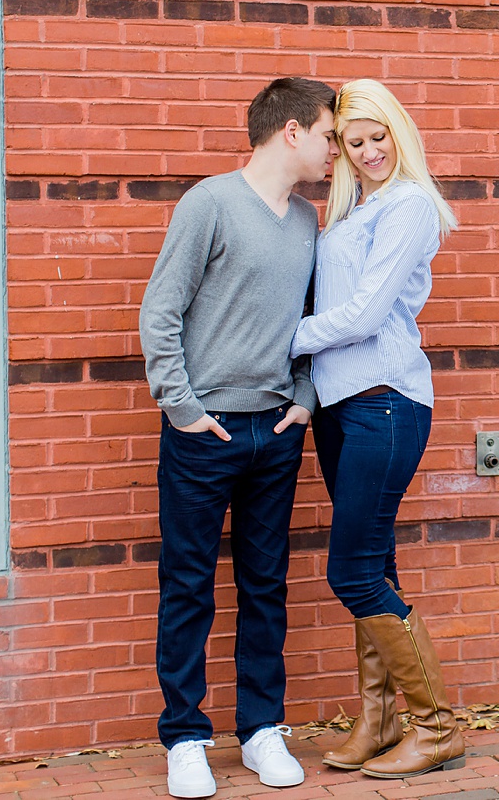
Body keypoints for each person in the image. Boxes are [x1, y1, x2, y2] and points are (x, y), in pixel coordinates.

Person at [138, 77, 340, 798]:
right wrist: (185, 409)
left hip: (276, 431)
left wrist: (306, 400)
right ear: (291, 131)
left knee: (266, 586)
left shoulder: (308, 221)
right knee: (188, 585)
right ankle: (186, 737)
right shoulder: (211, 203)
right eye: (326, 133)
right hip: (205, 433)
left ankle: (260, 729)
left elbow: (314, 325)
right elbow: (160, 311)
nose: (333, 148)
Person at [290, 79, 464, 779]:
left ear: (400, 132)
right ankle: (380, 717)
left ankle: (436, 725)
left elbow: (362, 315)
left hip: (385, 401)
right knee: (376, 563)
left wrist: (282, 334)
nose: (367, 152)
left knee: (353, 572)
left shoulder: (410, 205)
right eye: (353, 142)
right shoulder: (356, 209)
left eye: (377, 136)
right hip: (341, 405)